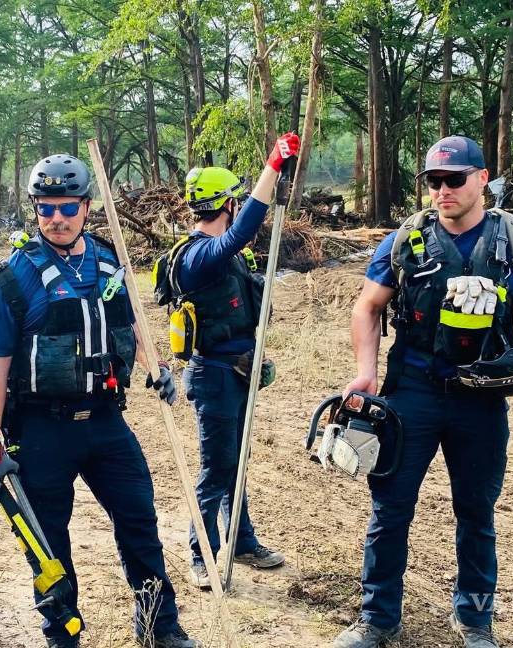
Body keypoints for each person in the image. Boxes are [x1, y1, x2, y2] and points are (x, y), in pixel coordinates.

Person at [333, 136, 513, 648]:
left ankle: (476, 618)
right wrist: (366, 371)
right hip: (412, 390)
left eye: (454, 179)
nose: (442, 190)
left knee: (476, 514)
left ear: (483, 179)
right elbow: (366, 307)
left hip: (482, 398)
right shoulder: (406, 241)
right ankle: (377, 618)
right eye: (434, 182)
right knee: (390, 509)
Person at [0, 154, 197, 648]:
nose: (57, 218)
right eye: (46, 207)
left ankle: (159, 624)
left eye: (67, 208)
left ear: (86, 207)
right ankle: (63, 633)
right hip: (42, 430)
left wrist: (156, 368)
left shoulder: (108, 261)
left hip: (105, 422)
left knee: (140, 521)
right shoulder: (11, 280)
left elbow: (129, 322)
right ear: (34, 208)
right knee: (49, 543)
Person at [159, 133, 299, 589]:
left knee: (235, 461)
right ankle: (202, 553)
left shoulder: (222, 258)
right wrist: (271, 167)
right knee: (217, 468)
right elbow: (241, 233)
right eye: (235, 201)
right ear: (227, 204)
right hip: (213, 376)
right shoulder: (201, 257)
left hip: (237, 372)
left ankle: (241, 541)